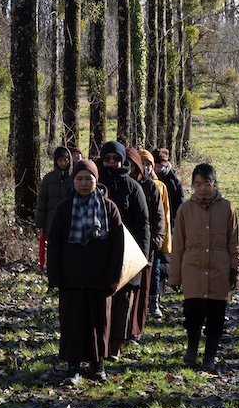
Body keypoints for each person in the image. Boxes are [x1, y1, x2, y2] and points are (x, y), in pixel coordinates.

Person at [47, 159, 125, 382]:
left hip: (100, 278)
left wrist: (114, 276)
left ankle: (97, 365)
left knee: (99, 322)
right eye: (79, 179)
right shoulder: (64, 208)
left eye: (88, 179)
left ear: (96, 180)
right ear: (73, 181)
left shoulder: (109, 208)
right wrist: (55, 277)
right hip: (71, 277)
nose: (83, 183)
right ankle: (73, 367)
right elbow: (55, 245)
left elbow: (118, 246)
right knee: (72, 322)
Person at [169, 163, 239, 372]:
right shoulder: (185, 209)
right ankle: (192, 348)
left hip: (219, 270)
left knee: (216, 317)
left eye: (207, 184)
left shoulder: (227, 208)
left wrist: (235, 270)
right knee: (193, 313)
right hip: (193, 270)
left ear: (214, 183)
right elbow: (178, 244)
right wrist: (175, 277)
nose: (202, 189)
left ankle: (210, 355)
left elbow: (234, 243)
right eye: (198, 184)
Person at [97, 140, 150, 359]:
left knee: (124, 300)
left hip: (128, 253)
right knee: (102, 300)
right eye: (107, 158)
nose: (112, 162)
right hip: (100, 252)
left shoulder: (133, 187)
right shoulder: (95, 183)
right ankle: (100, 343)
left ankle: (116, 344)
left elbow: (143, 224)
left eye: (116, 159)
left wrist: (142, 257)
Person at [126, 149, 166, 341]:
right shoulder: (122, 184)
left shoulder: (150, 187)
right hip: (124, 247)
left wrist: (155, 242)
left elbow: (159, 217)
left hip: (145, 247)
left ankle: (135, 331)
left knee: (142, 292)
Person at [152, 148, 186, 318]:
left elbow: (180, 204)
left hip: (169, 226)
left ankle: (159, 294)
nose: (159, 168)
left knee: (164, 262)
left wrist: (172, 224)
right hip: (156, 227)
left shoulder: (173, 182)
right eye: (156, 165)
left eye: (161, 165)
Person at [36, 146, 74, 271]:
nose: (64, 163)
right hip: (52, 221)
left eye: (66, 159)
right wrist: (40, 224)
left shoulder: (74, 178)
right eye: (60, 160)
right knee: (54, 249)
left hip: (71, 220)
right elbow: (42, 202)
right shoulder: (48, 179)